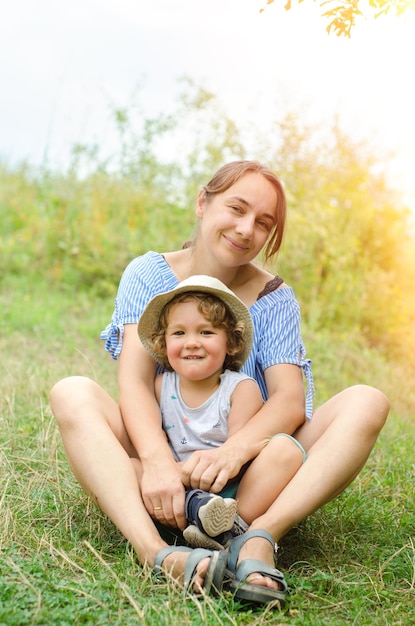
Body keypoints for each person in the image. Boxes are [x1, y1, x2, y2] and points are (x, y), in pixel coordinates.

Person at [50, 160, 390, 606]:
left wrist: (231, 452)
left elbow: (288, 400)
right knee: (71, 391)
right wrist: (154, 461)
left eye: (263, 222)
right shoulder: (149, 275)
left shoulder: (273, 298)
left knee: (367, 401)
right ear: (202, 203)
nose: (247, 228)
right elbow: (134, 382)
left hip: (246, 473)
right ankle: (157, 552)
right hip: (166, 460)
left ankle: (258, 536)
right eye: (237, 208)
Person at [134, 275, 305, 551]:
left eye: (206, 332)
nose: (191, 342)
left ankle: (233, 524)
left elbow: (240, 463)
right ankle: (193, 520)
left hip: (229, 493)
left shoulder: (240, 390)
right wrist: (174, 476)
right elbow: (151, 445)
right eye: (179, 333)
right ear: (163, 343)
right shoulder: (160, 387)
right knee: (129, 466)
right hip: (172, 488)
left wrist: (194, 476)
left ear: (231, 343)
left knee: (286, 450)